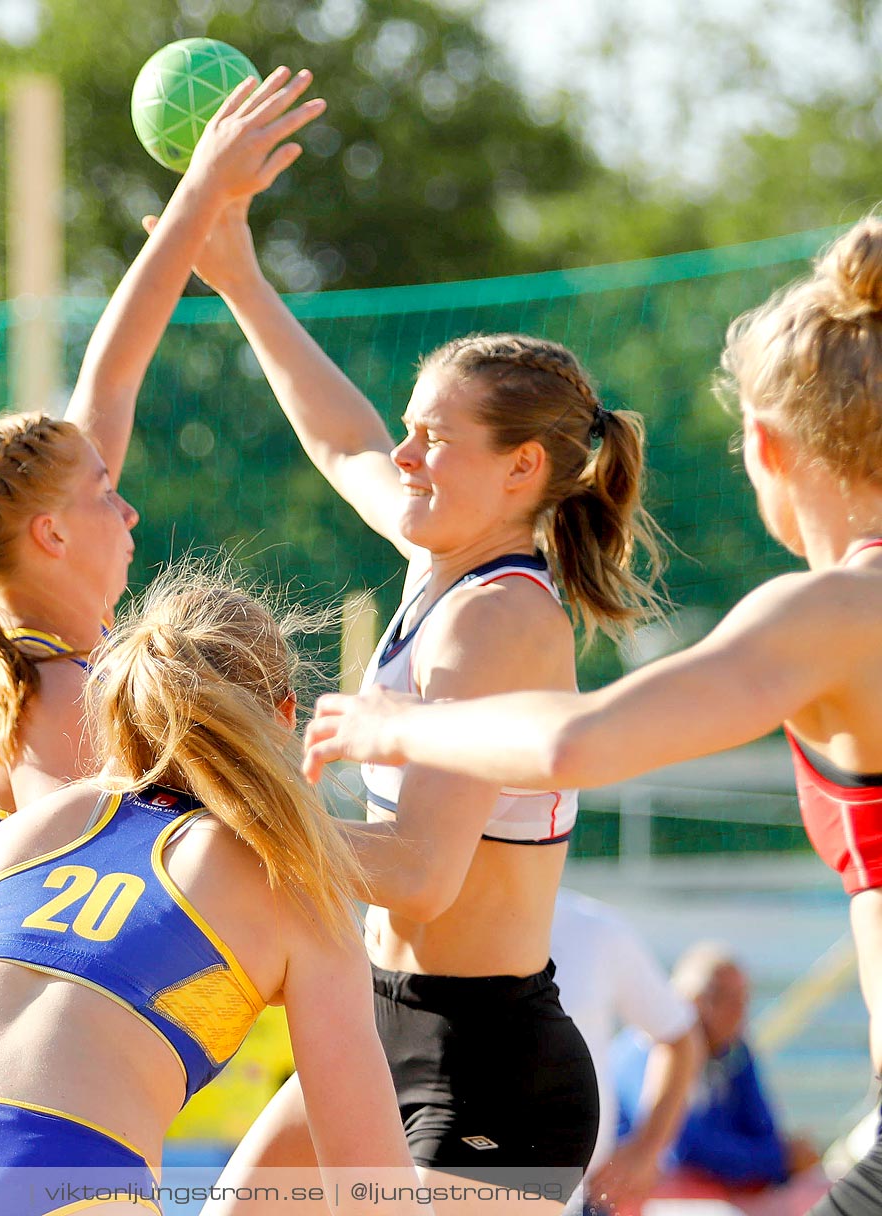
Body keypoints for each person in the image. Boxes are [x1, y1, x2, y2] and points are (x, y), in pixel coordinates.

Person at [300, 216, 882, 1216]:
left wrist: (389, 727)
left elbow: (578, 742)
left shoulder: (837, 611)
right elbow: (345, 443)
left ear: (766, 446)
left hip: (491, 1068)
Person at [189, 131, 665, 1211]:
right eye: (410, 431)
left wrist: (226, 804)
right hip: (374, 1020)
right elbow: (338, 439)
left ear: (521, 470)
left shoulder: (494, 619)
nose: (402, 455)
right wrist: (241, 277)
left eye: (431, 439)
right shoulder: (435, 561)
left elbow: (415, 873)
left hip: (488, 1068)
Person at [0, 560, 424, 1216]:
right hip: (60, 1179)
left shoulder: (31, 828)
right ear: (283, 715)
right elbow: (374, 1191)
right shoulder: (288, 882)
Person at [0, 58, 322, 859]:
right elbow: (93, 865)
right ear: (52, 536)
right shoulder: (57, 694)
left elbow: (116, 365)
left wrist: (204, 191)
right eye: (105, 493)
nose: (128, 506)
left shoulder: (50, 660)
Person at [610, 944, 827, 1215]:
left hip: (715, 1185)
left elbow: (762, 1126)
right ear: (685, 999)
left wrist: (779, 1160)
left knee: (826, 1191)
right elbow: (680, 1149)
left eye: (742, 998)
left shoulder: (733, 1050)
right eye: (720, 996)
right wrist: (780, 1159)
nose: (736, 1010)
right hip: (635, 1194)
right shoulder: (651, 1047)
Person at [549, 889, 705, 1214]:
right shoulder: (434, 916)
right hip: (457, 1192)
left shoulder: (594, 929)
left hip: (578, 1199)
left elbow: (680, 1037)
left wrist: (645, 1151)